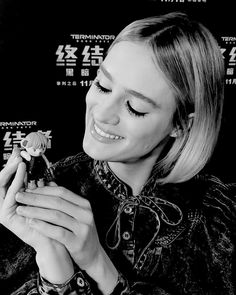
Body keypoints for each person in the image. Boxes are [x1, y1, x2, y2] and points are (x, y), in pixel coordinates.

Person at [0, 11, 235, 295]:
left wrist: (98, 264)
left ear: (181, 124)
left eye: (134, 107)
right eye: (102, 85)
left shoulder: (218, 215)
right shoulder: (45, 187)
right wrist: (55, 270)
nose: (102, 113)